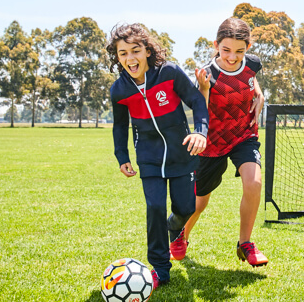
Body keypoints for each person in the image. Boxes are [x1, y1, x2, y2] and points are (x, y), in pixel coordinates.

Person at [107, 23, 209, 288]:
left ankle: (175, 228)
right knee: (154, 208)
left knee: (186, 208)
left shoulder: (170, 73)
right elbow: (119, 126)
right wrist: (122, 155)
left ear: (147, 51)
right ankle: (160, 268)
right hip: (149, 157)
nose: (130, 58)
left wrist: (200, 131)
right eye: (123, 53)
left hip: (182, 153)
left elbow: (197, 101)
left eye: (135, 50)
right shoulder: (119, 90)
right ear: (117, 58)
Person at [168, 17, 268, 267]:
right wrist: (203, 88)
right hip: (211, 143)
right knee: (199, 202)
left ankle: (245, 243)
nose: (232, 57)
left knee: (254, 182)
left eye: (239, 51)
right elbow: (199, 109)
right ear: (216, 45)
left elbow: (250, 79)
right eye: (226, 50)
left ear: (248, 48)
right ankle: (181, 235)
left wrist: (259, 94)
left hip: (244, 136)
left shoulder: (253, 64)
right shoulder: (207, 74)